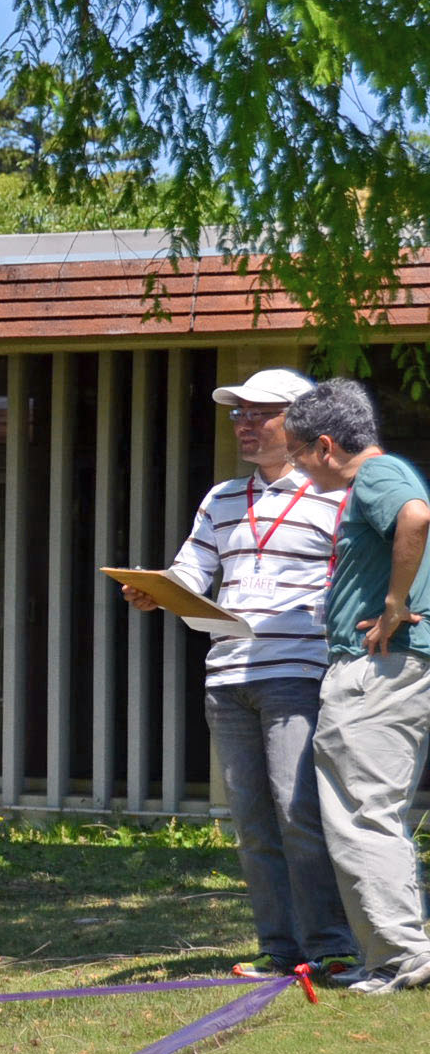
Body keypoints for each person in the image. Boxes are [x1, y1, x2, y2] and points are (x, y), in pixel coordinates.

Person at [122, 367, 355, 979]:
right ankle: (279, 948)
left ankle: (333, 945)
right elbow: (192, 570)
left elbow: (356, 582)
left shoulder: (337, 497)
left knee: (299, 814)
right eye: (238, 414)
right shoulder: (221, 497)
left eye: (259, 413)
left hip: (299, 673)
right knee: (253, 824)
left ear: (300, 422)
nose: (244, 424)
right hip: (227, 678)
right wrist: (157, 590)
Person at [284, 379, 430, 994]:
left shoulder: (375, 474)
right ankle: (393, 954)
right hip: (389, 668)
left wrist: (394, 603)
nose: (296, 467)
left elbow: (417, 517)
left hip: (377, 667)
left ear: (325, 446)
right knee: (373, 811)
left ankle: (402, 957)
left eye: (297, 454)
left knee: (362, 813)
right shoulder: (382, 478)